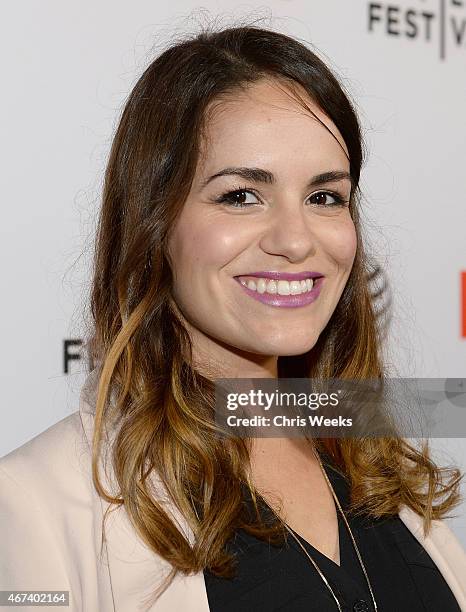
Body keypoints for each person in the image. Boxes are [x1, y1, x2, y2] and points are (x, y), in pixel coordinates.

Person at [1, 23, 466, 612]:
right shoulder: (34, 504)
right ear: (154, 223)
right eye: (241, 195)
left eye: (325, 197)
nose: (296, 241)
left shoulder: (370, 457)